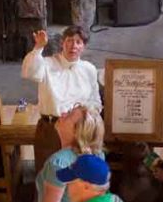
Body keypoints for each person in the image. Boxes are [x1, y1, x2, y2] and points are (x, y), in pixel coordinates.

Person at [21, 26, 102, 174]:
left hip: (80, 131)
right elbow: (29, 72)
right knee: (48, 174)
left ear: (83, 46)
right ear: (62, 43)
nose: (73, 46)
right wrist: (38, 47)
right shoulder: (47, 63)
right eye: (69, 40)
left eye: (78, 42)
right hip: (52, 129)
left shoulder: (89, 69)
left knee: (77, 176)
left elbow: (95, 100)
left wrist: (88, 122)